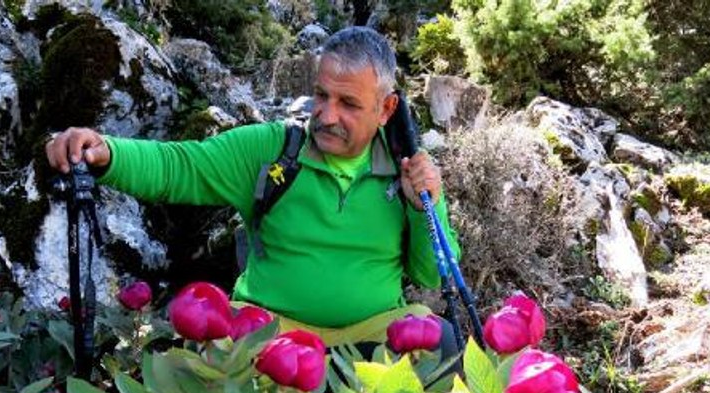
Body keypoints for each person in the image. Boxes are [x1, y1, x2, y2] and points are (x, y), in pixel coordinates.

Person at [46, 26, 460, 357]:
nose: (327, 115)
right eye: (321, 95)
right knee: (202, 346)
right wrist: (107, 151)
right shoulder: (273, 150)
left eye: (348, 104)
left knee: (441, 340)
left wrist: (428, 203)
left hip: (366, 339)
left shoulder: (406, 168)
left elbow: (430, 273)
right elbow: (181, 166)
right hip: (269, 332)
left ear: (386, 110)